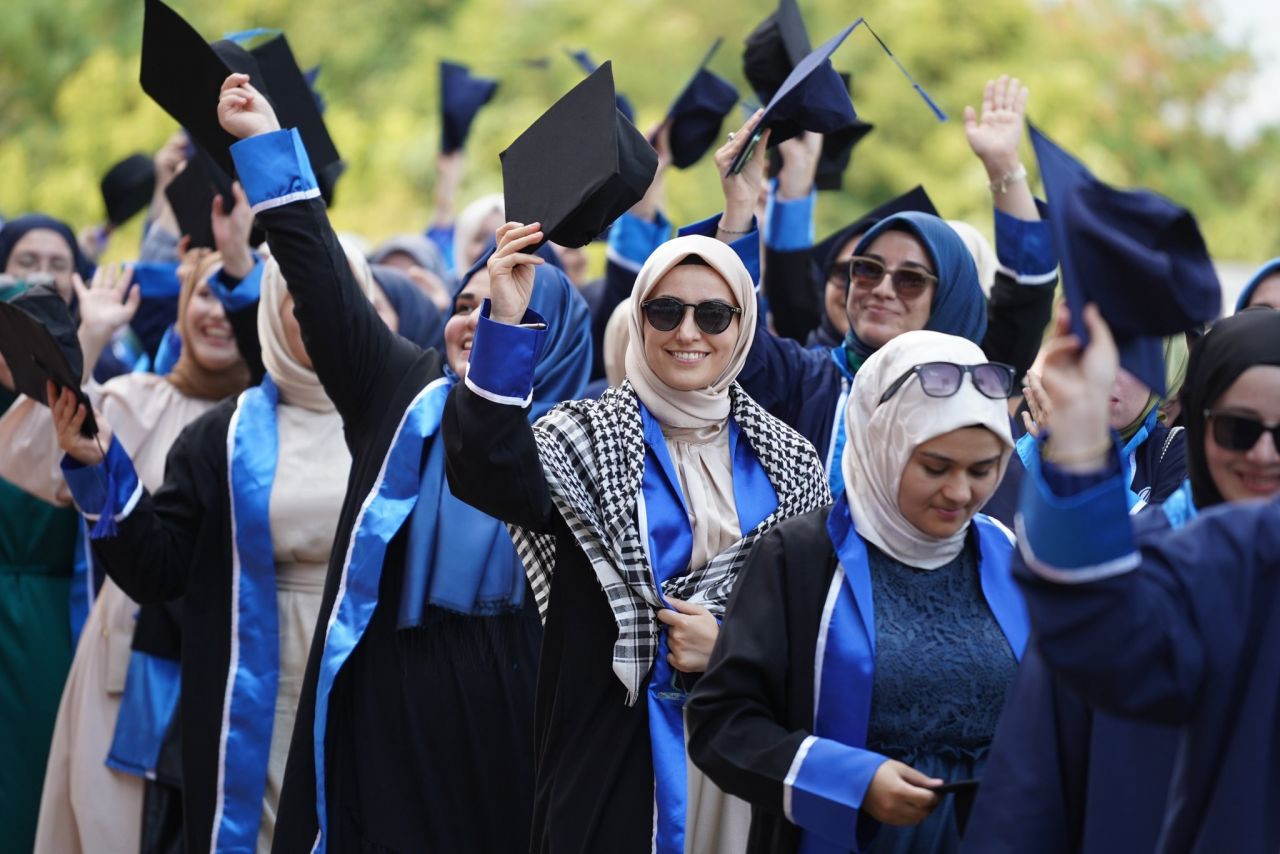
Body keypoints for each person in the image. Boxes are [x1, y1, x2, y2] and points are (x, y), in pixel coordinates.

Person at [212, 72, 586, 853]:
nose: (478, 321)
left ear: (562, 339)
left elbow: (502, 458)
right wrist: (268, 147)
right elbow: (324, 288)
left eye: (514, 309)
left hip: (523, 724)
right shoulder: (401, 392)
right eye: (466, 304)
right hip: (388, 710)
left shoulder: (590, 442)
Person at [444, 223, 831, 853]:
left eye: (712, 314)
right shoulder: (581, 437)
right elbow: (487, 471)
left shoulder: (792, 460)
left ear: (743, 327)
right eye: (665, 310)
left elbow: (816, 622)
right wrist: (507, 325)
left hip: (748, 748)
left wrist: (731, 645)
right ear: (639, 316)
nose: (686, 332)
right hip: (610, 749)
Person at [48, 235, 377, 853]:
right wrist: (99, 465)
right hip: (253, 684)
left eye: (347, 296)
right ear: (274, 309)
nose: (331, 312)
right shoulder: (221, 437)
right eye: (306, 298)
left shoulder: (404, 424)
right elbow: (159, 567)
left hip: (373, 679)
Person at [687, 331, 1029, 854]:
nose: (960, 493)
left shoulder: (1006, 556)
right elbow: (723, 725)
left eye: (983, 470)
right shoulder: (800, 559)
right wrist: (851, 781)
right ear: (882, 444)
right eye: (935, 467)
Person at [966, 306, 1280, 854]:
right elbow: (1030, 786)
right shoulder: (1119, 573)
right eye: (1238, 428)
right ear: (1201, 426)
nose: (1264, 453)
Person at [1, 253, 248, 853]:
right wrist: (87, 339)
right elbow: (27, 462)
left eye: (230, 298)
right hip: (121, 669)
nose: (214, 313)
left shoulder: (272, 421)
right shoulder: (136, 400)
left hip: (241, 668)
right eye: (202, 295)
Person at [735, 78, 1056, 494]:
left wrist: (1003, 169)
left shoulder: (968, 386)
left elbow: (1025, 297)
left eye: (910, 280)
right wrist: (740, 205)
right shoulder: (805, 380)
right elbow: (730, 328)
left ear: (946, 298)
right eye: (866, 269)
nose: (882, 288)